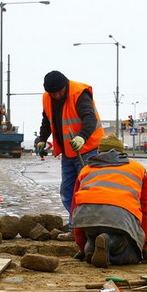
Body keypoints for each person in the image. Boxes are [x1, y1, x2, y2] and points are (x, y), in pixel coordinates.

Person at [36, 70, 105, 235]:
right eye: (53, 93)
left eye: (59, 91)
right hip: (68, 152)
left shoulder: (79, 93)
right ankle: (77, 229)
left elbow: (90, 118)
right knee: (67, 192)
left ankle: (90, 229)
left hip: (89, 149)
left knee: (86, 191)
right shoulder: (47, 98)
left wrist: (82, 137)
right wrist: (42, 138)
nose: (57, 95)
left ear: (65, 85)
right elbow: (47, 121)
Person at [71, 134, 147, 268]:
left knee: (92, 240)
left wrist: (81, 245)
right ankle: (111, 242)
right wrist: (144, 246)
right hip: (119, 219)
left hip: (87, 217)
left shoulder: (85, 170)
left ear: (99, 152)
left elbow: (75, 205)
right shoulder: (138, 168)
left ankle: (91, 247)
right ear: (123, 153)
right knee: (131, 255)